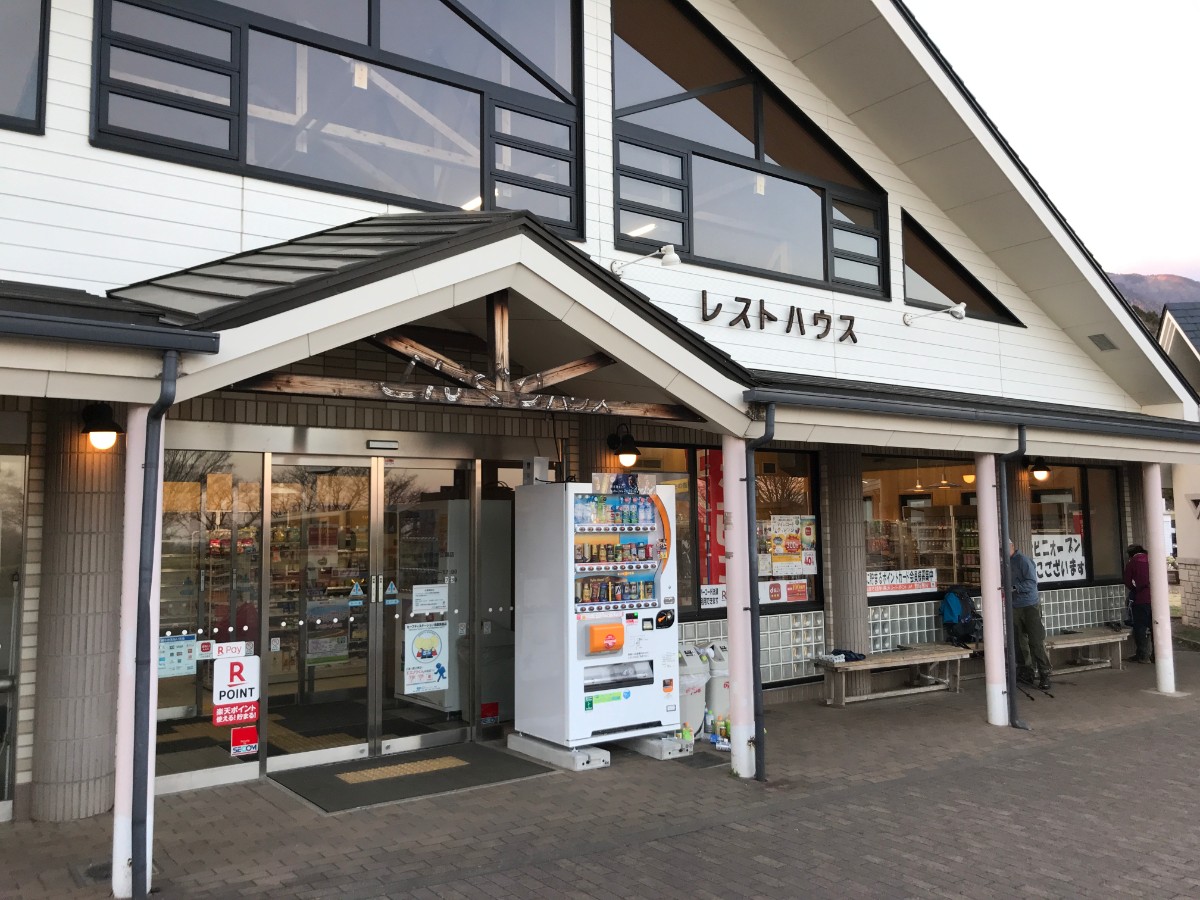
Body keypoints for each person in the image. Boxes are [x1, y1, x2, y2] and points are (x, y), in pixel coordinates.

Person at [1009, 540, 1051, 690]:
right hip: (1015, 606)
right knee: (1020, 642)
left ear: (1012, 546)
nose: (1001, 552)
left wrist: (1015, 587)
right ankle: (1027, 672)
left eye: (1003, 548)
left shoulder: (1023, 561)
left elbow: (1032, 582)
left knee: (1036, 641)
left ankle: (1045, 673)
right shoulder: (1005, 563)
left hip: (1030, 605)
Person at [1123, 544, 1153, 663]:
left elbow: (1127, 581)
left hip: (1141, 599)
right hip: (1156, 599)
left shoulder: (1132, 563)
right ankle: (1157, 654)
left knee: (1140, 627)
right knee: (1155, 627)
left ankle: (1143, 655)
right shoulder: (1152, 560)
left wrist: (1135, 589)